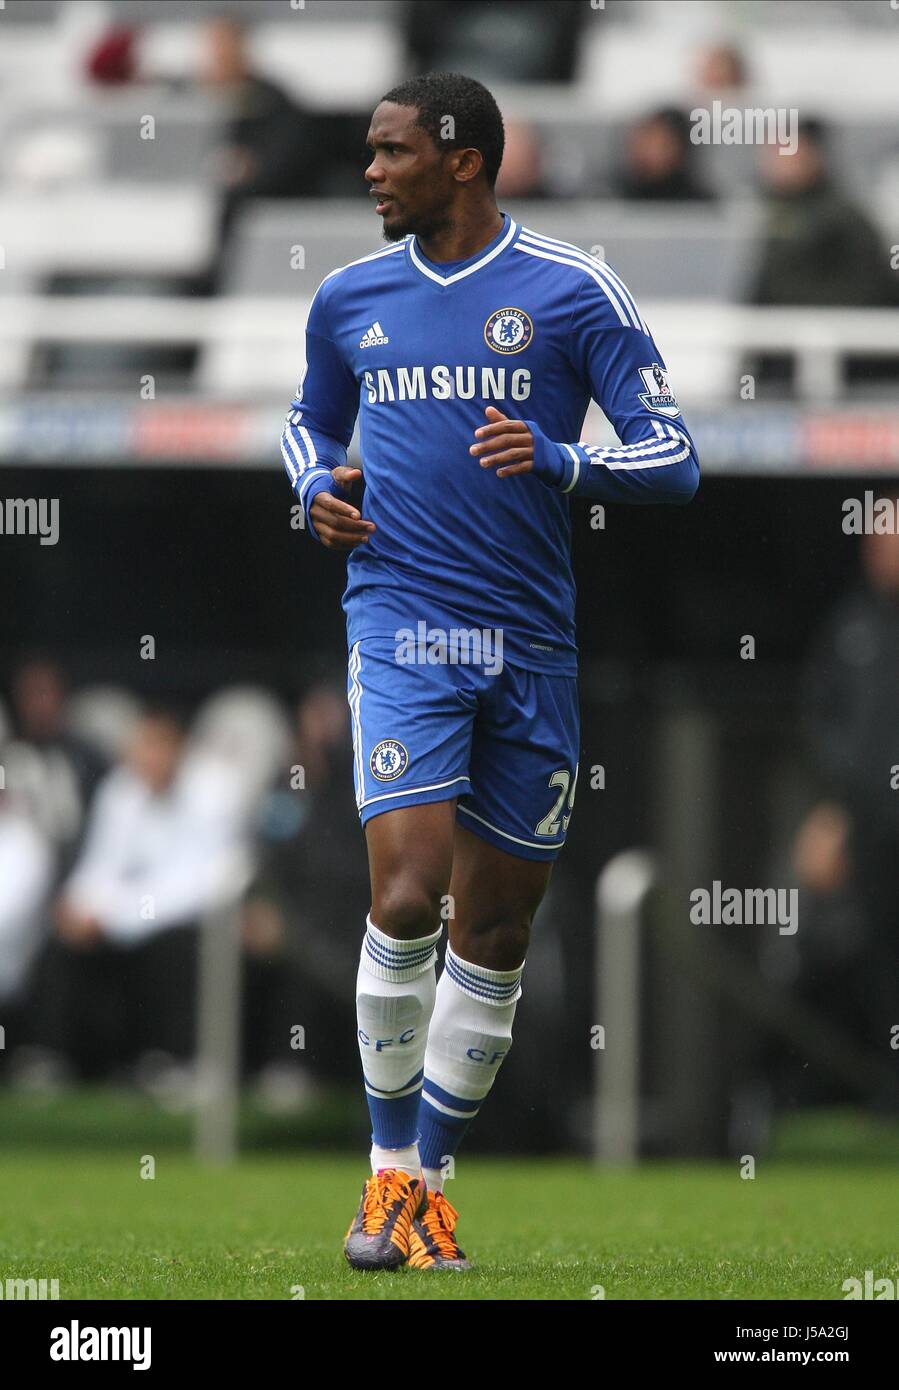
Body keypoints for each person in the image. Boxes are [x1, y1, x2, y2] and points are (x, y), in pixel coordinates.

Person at [280, 72, 699, 1271]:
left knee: (498, 932)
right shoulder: (348, 296)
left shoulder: (571, 292)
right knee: (406, 895)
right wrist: (313, 489)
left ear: (461, 159)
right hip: (402, 630)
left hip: (531, 651)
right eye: (368, 151)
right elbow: (307, 421)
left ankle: (431, 1189)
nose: (369, 171)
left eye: (390, 150)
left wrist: (566, 462)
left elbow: (672, 460)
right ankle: (384, 1179)